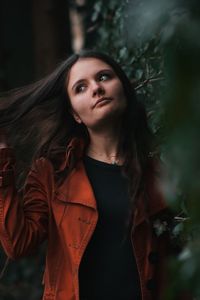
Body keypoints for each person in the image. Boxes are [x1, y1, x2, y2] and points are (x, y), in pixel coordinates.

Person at [0, 49, 183, 300]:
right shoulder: (52, 173)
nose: (96, 88)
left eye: (104, 77)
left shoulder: (161, 169)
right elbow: (19, 244)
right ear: (75, 114)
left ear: (123, 89)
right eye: (80, 88)